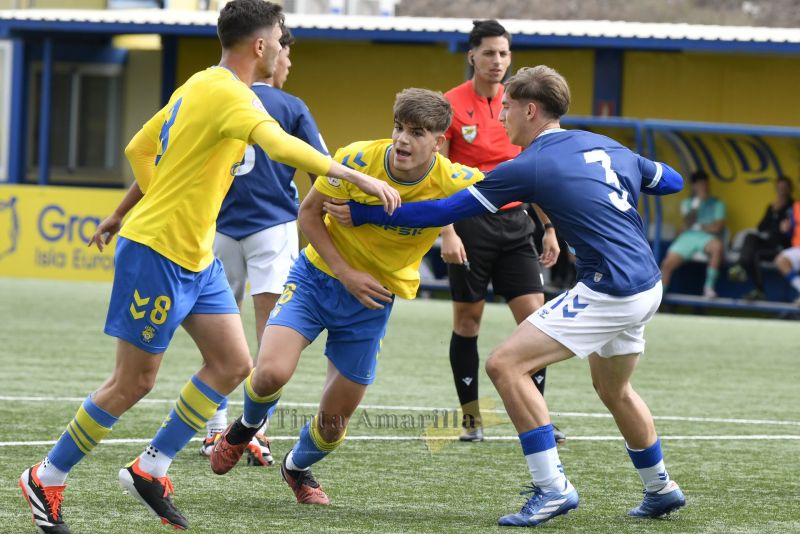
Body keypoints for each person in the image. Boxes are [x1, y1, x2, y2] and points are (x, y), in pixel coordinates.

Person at [17, 2, 400, 532]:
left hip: (198, 257)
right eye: (282, 40)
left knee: (232, 363)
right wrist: (355, 179)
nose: (285, 50)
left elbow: (139, 147)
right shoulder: (229, 95)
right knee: (132, 383)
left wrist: (152, 200)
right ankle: (46, 476)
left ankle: (151, 468)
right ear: (261, 46)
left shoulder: (198, 83)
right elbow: (278, 144)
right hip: (156, 252)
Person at [326, 65, 687, 526]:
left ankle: (552, 489)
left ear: (531, 110)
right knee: (613, 388)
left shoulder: (530, 165)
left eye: (508, 108)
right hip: (646, 284)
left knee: (504, 364)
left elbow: (441, 210)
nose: (502, 118)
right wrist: (620, 184)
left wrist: (364, 212)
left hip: (612, 288)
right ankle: (661, 488)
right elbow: (670, 180)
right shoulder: (606, 145)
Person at [208, 88, 485, 505]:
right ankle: (245, 426)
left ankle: (296, 468)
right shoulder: (357, 159)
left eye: (417, 132)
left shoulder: (453, 180)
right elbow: (308, 213)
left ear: (439, 141)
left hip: (371, 303)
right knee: (270, 373)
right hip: (316, 279)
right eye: (399, 128)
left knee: (334, 423)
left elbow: (516, 187)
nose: (403, 140)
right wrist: (345, 272)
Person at [200, 25, 327, 467]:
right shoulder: (289, 105)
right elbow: (321, 169)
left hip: (217, 225)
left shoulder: (213, 94)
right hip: (272, 227)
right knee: (271, 334)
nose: (287, 65)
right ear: (271, 53)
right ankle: (255, 433)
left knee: (215, 327)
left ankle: (216, 427)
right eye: (286, 56)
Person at [439, 19, 562, 443]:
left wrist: (547, 227)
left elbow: (535, 171)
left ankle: (539, 417)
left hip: (516, 225)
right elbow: (437, 175)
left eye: (505, 53)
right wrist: (447, 232)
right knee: (468, 322)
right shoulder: (450, 104)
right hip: (470, 223)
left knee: (537, 320)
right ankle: (471, 420)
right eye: (489, 52)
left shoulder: (522, 105)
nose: (498, 61)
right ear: (472, 55)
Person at [659, 170, 726, 298]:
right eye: (700, 185)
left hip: (706, 238)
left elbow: (717, 227)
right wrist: (697, 203)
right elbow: (688, 223)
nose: (703, 187)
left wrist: (701, 226)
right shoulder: (687, 202)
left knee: (717, 247)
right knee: (667, 264)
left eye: (705, 184)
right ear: (694, 186)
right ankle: (659, 299)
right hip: (688, 238)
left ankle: (709, 288)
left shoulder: (717, 203)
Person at [728, 175, 794, 300]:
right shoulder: (772, 206)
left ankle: (759, 290)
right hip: (770, 243)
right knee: (750, 236)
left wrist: (782, 220)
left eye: (784, 188)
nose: (781, 191)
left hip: (783, 247)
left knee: (756, 254)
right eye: (779, 188)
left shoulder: (793, 206)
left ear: (789, 189)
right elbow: (761, 228)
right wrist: (774, 212)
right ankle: (740, 266)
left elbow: (787, 232)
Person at [774, 198, 800, 303]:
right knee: (781, 260)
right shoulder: (796, 206)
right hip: (798, 248)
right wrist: (786, 229)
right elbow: (791, 231)